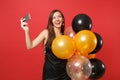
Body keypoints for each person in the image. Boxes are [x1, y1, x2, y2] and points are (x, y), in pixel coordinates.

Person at [20, 9, 71, 80]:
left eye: (59, 17)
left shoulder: (65, 37)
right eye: (54, 17)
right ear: (51, 21)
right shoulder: (46, 33)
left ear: (62, 20)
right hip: (50, 74)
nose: (57, 19)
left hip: (65, 74)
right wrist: (26, 30)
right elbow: (30, 46)